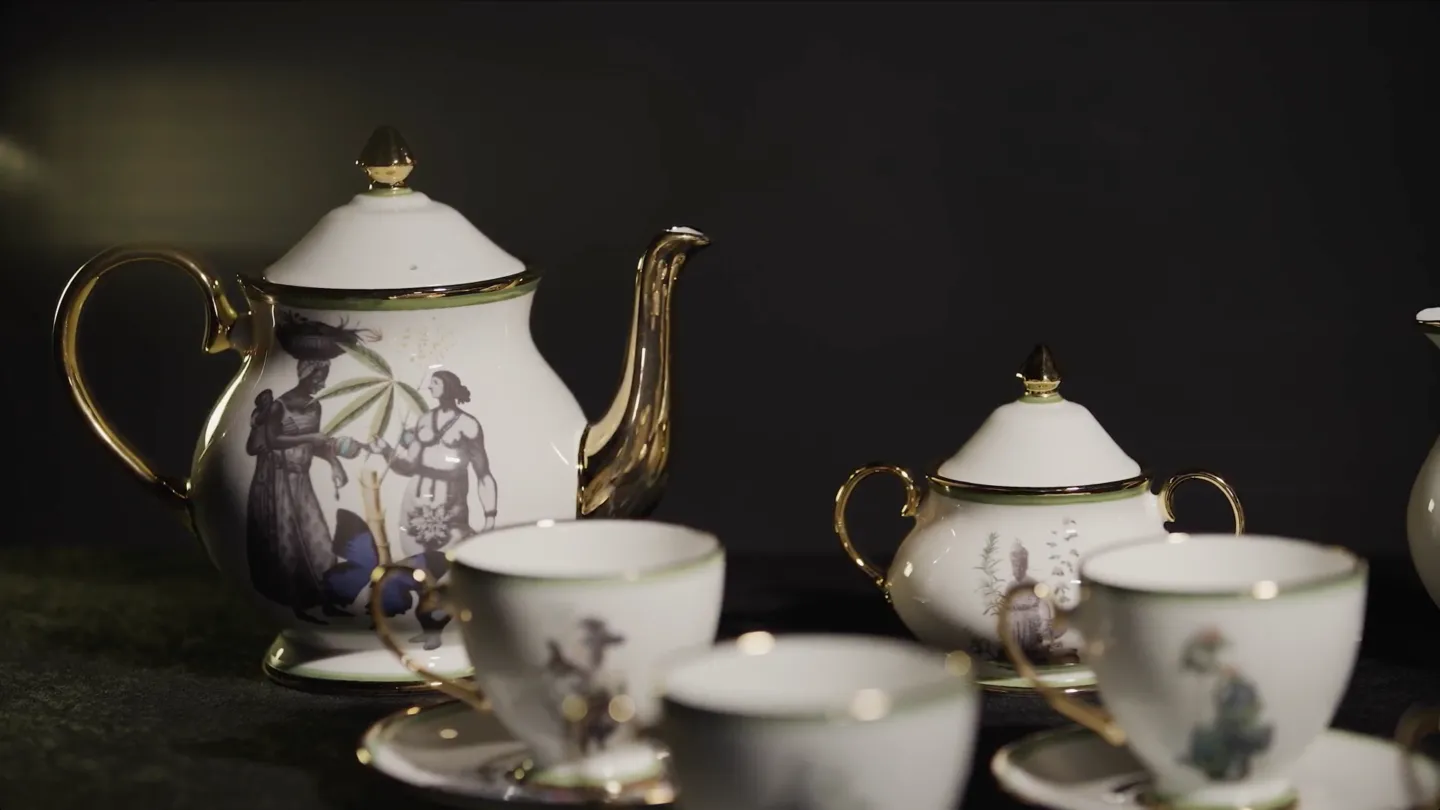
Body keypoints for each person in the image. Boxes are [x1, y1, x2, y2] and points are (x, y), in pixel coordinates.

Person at [371, 369, 499, 647]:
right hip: (416, 504)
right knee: (419, 569)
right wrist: (385, 451)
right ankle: (430, 629)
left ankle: (448, 623)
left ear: (449, 387)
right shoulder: (424, 421)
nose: (430, 388)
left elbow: (483, 473)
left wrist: (489, 519)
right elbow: (408, 466)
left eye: (435, 383)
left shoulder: (468, 425)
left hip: (451, 504)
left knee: (450, 566)